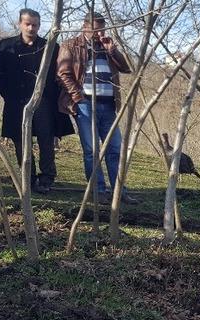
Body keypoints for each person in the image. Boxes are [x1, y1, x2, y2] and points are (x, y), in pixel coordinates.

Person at [57, 12, 137, 204]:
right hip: (86, 105)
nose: (99, 32)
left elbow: (127, 68)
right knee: (92, 150)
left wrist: (113, 51)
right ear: (85, 26)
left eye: (102, 28)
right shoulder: (70, 45)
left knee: (115, 149)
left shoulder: (106, 46)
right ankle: (98, 191)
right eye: (95, 28)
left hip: (109, 105)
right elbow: (63, 73)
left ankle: (119, 191)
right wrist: (78, 97)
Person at [0, 8, 74, 193]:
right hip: (16, 102)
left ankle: (47, 177)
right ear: (20, 24)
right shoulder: (6, 45)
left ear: (39, 26)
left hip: (43, 102)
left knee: (46, 139)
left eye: (35, 24)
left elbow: (58, 75)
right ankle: (28, 177)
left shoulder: (50, 46)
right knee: (20, 140)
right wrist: (8, 95)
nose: (31, 28)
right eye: (28, 24)